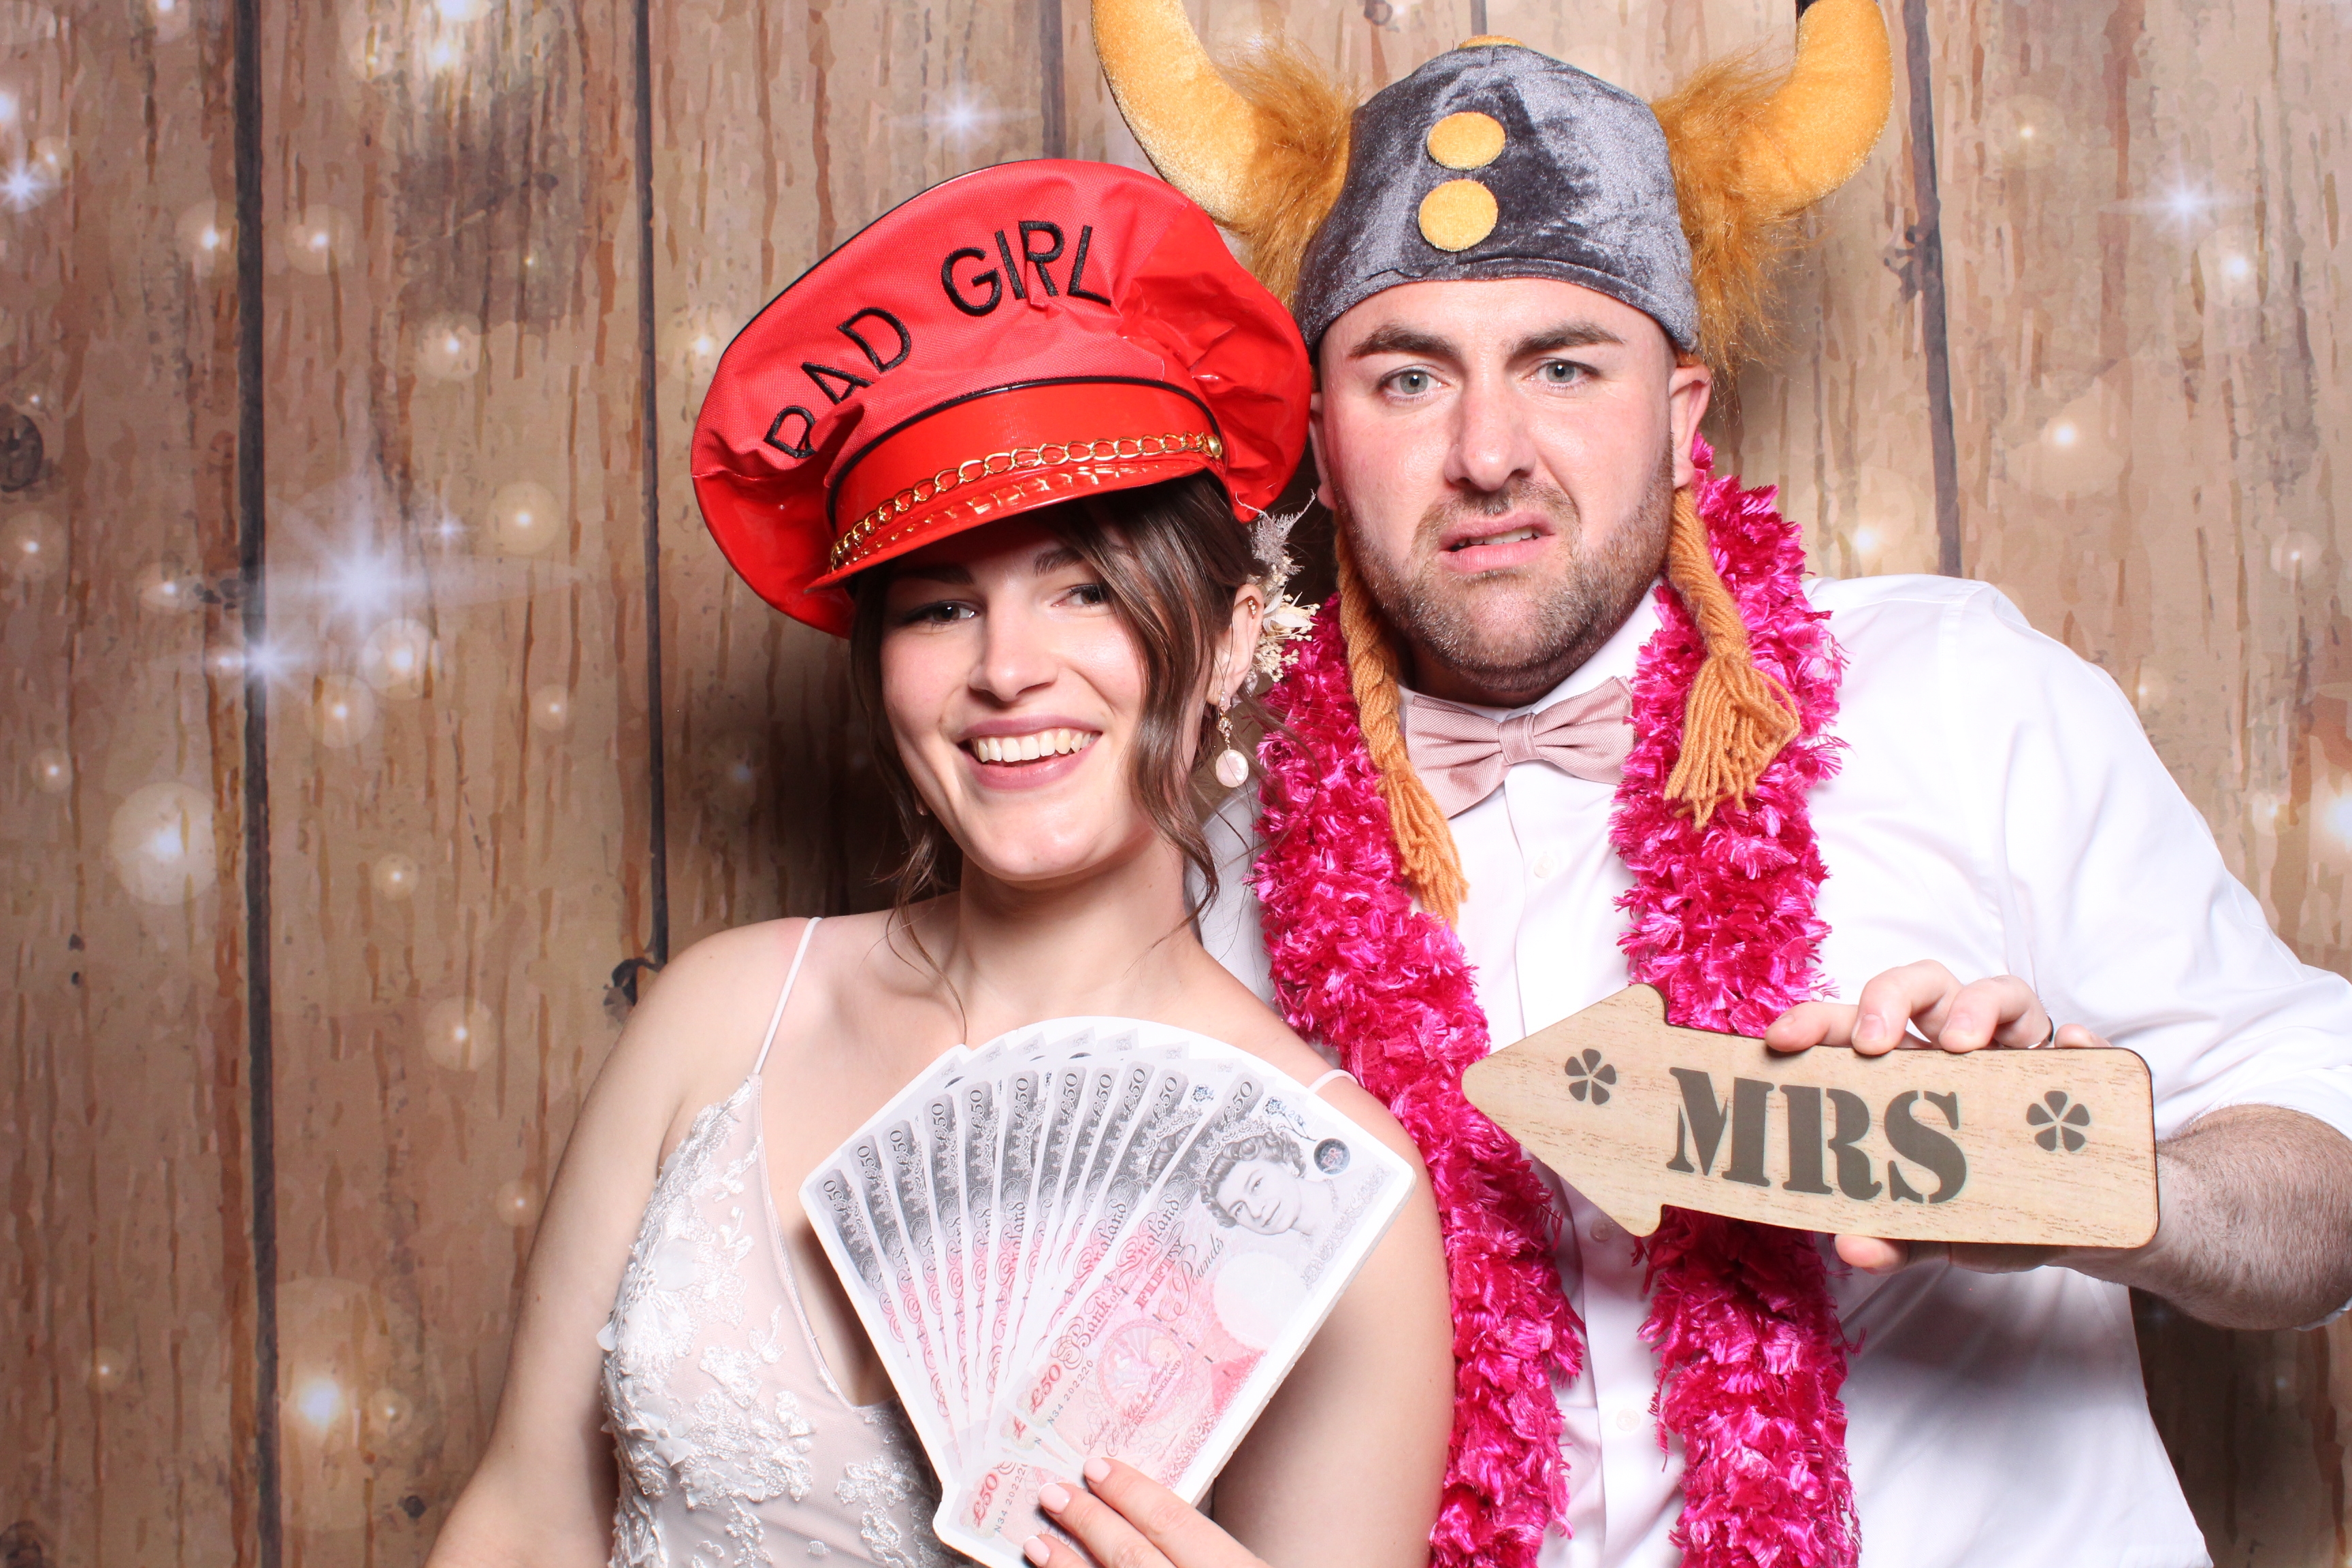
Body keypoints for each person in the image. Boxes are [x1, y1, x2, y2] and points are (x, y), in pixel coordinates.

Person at [1090, 2, 2352, 1566]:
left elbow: (2326, 1175)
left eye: (1564, 365)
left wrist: (2092, 1179)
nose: (1489, 452)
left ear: (1682, 418)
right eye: (1407, 380)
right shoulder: (1220, 860)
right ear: (1322, 445)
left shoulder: (1962, 690)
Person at [423, 159, 1454, 1568]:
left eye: (1085, 588)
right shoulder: (724, 1014)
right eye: (939, 607)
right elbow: (526, 1511)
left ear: (1227, 640)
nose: (1007, 670)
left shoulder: (1328, 1184)